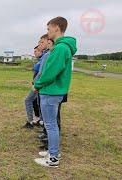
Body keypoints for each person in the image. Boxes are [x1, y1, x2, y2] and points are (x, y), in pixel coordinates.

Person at [33, 17, 77, 167]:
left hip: (51, 91)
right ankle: (53, 151)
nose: (48, 32)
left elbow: (50, 72)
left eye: (48, 28)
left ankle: (53, 158)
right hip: (53, 91)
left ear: (57, 28)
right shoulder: (62, 47)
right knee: (51, 124)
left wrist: (37, 85)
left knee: (51, 124)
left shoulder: (60, 48)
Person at [23, 35, 48, 129]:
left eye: (41, 42)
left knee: (28, 100)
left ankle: (31, 121)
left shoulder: (46, 56)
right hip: (38, 84)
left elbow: (41, 72)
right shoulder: (42, 57)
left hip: (39, 85)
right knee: (38, 103)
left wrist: (36, 84)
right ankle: (40, 121)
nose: (35, 53)